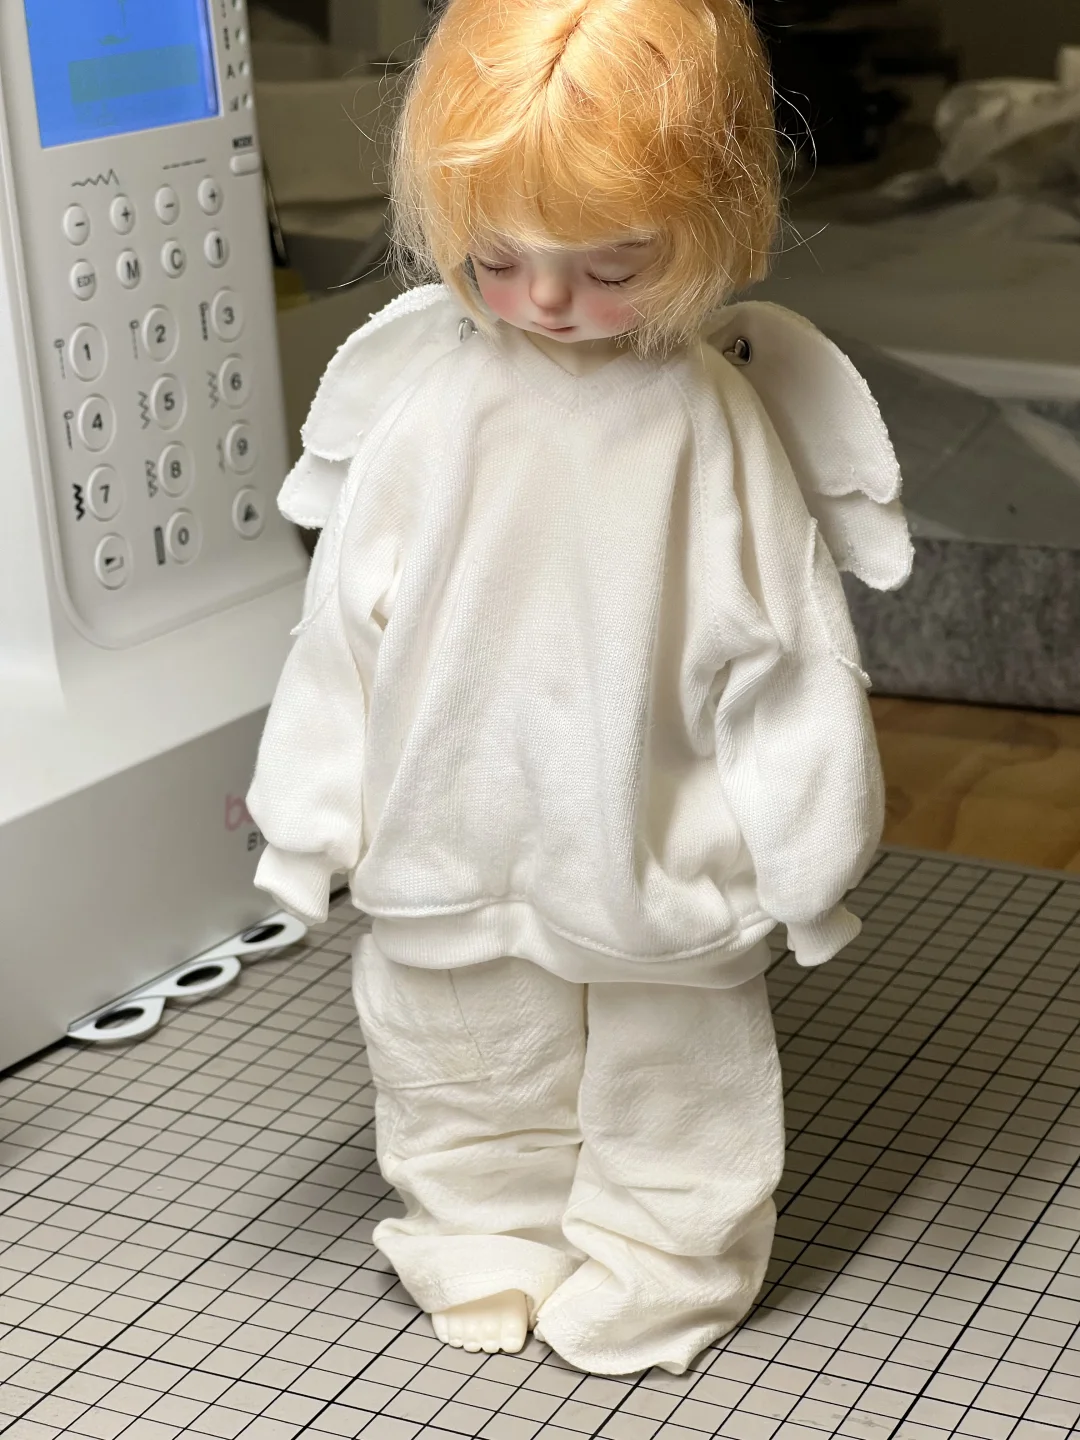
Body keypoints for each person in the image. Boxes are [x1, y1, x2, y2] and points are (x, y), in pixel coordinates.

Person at [246, 0, 913, 1376]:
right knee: (456, 1061)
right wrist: (308, 816)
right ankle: (480, 1238)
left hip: (657, 845)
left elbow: (788, 650)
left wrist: (808, 846)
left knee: (681, 1077)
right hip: (444, 830)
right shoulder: (431, 403)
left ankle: (668, 1264)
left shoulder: (710, 419)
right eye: (497, 259)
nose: (548, 301)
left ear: (711, 224)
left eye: (613, 264)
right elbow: (345, 627)